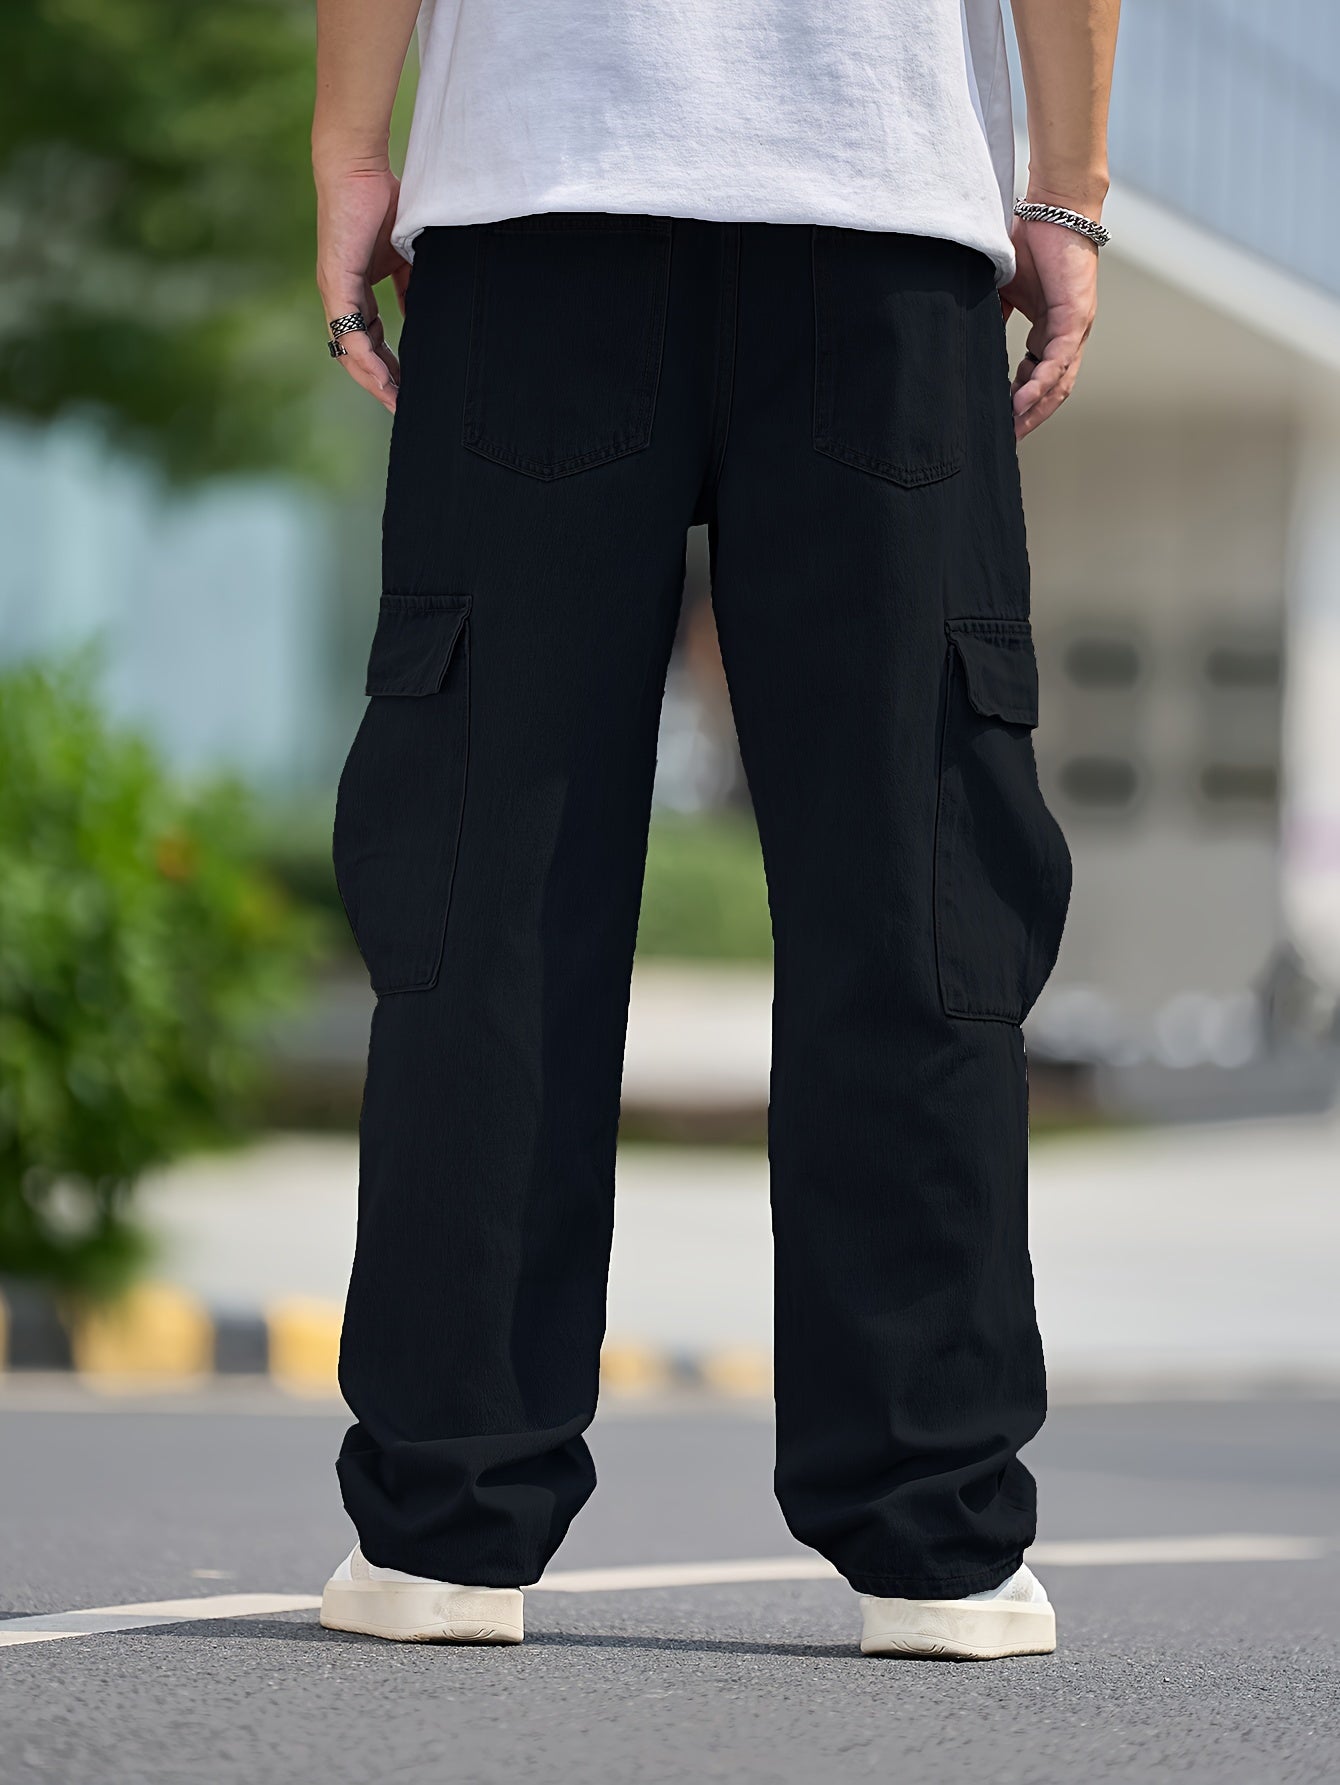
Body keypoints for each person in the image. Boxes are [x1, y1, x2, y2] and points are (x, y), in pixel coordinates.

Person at [312, 0, 1119, 1659]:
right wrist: (1068, 185)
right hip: (879, 202)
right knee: (914, 877)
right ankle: (936, 1537)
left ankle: (450, 1519)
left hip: (543, 199)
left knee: (489, 873)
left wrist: (350, 149)